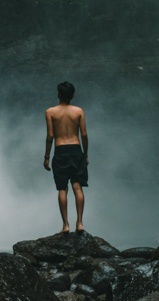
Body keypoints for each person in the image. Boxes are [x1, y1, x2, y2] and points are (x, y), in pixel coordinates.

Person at [43, 81, 89, 233]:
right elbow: (84, 135)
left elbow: (50, 135)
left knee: (62, 189)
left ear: (58, 94)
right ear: (72, 96)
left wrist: (47, 156)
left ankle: (65, 225)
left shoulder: (50, 112)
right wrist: (85, 155)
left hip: (60, 150)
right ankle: (80, 223)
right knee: (78, 187)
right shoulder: (78, 111)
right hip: (76, 150)